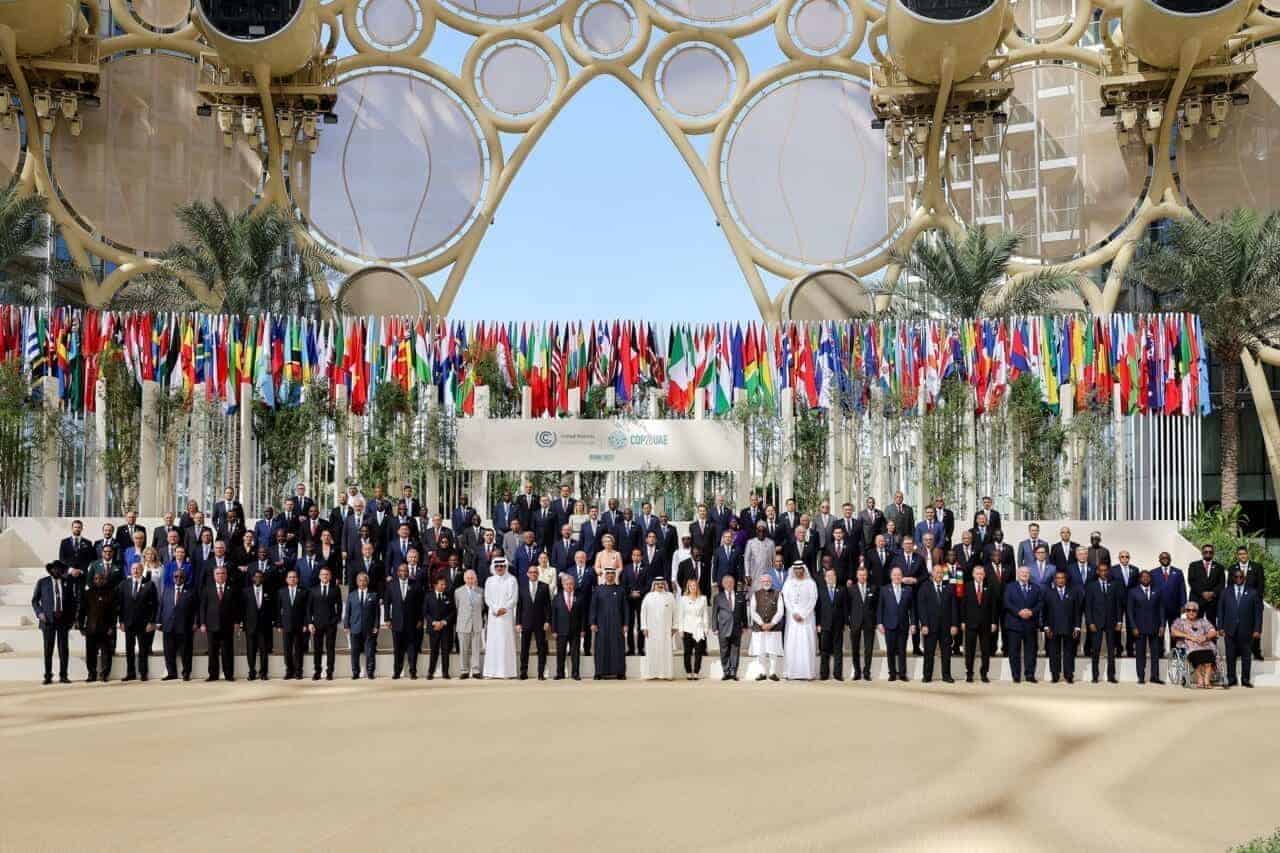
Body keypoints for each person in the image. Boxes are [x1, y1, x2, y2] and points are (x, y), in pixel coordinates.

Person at [1219, 567, 1263, 688]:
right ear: (1233, 578)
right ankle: (1231, 679)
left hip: (1247, 630)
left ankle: (1245, 679)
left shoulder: (1253, 592)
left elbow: (1258, 613)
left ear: (1244, 578)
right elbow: (1220, 611)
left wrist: (1257, 629)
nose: (1238, 578)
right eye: (1236, 577)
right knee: (1230, 656)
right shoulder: (1225, 592)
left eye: (1241, 577)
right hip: (1229, 629)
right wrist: (1220, 627)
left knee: (1246, 656)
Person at [116, 561, 157, 681]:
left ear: (142, 570)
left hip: (143, 623)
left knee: (143, 649)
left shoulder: (149, 584)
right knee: (129, 649)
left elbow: (154, 605)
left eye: (138, 568)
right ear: (130, 570)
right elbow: (120, 604)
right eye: (133, 568)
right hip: (128, 623)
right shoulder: (124, 584)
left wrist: (151, 622)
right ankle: (130, 673)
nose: (135, 571)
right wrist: (121, 621)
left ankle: (143, 673)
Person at [1084, 562, 1124, 684]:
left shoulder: (1114, 585)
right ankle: (1095, 676)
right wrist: (1090, 622)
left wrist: (1119, 621)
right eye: (1101, 570)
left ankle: (1111, 676)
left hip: (1111, 622)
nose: (1103, 573)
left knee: (1111, 650)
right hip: (1096, 623)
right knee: (1095, 650)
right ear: (1097, 572)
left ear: (1108, 571)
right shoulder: (1091, 586)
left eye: (1105, 570)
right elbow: (1088, 606)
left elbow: (1118, 605)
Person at [917, 563, 957, 683]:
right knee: (929, 652)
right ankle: (927, 676)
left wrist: (954, 624)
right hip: (930, 626)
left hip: (946, 627)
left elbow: (954, 608)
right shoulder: (924, 587)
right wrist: (924, 624)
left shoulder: (949, 588)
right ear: (932, 573)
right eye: (937, 572)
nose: (939, 575)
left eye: (941, 573)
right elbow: (921, 608)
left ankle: (946, 675)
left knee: (946, 653)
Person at [198, 565, 238, 682]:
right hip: (211, 625)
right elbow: (203, 607)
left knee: (227, 651)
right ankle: (213, 675)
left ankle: (228, 674)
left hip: (227, 625)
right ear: (214, 576)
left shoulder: (232, 588)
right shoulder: (207, 589)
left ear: (226, 575)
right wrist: (202, 623)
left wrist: (236, 622)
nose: (220, 575)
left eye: (223, 573)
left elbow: (236, 607)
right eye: (218, 573)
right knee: (212, 651)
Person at [1004, 565, 1043, 684]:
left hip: (1030, 624)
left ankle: (1030, 674)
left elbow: (1040, 603)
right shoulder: (1010, 587)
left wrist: (1031, 612)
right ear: (1018, 574)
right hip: (1014, 624)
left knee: (1031, 651)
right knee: (1014, 651)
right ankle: (1016, 675)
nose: (1025, 574)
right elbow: (1007, 602)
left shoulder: (1035, 588)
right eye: (1022, 572)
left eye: (1027, 573)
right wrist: (1018, 612)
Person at [384, 563, 424, 679]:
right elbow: (387, 603)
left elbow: (420, 604)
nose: (403, 573)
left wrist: (420, 619)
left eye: (406, 571)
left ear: (408, 572)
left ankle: (413, 672)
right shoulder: (391, 585)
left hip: (412, 623)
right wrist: (387, 618)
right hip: (397, 623)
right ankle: (397, 672)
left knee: (412, 649)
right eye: (401, 571)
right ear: (397, 572)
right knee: (397, 649)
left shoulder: (416, 585)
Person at [1043, 569, 1082, 684]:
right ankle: (1055, 675)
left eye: (1062, 578)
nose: (1060, 580)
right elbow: (1044, 611)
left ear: (1065, 580)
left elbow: (1077, 611)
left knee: (1069, 653)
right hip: (1053, 628)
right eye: (1058, 578)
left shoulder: (1073, 592)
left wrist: (1077, 627)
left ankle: (1069, 675)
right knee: (1054, 653)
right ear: (1055, 580)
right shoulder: (1048, 593)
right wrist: (1046, 627)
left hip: (1069, 628)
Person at [483, 558, 519, 679]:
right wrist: (495, 609)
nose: (499, 568)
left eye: (502, 566)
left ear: (505, 566)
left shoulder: (512, 580)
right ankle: (491, 672)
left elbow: (514, 598)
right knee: (492, 643)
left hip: (506, 616)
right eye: (497, 566)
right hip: (493, 616)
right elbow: (487, 598)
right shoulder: (489, 580)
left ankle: (506, 672)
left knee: (505, 643)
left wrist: (504, 608)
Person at [79, 569, 118, 683]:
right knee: (90, 653)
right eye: (96, 579)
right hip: (91, 628)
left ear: (105, 580)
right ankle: (92, 674)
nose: (99, 580)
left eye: (101, 578)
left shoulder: (111, 593)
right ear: (93, 580)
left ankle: (104, 674)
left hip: (106, 629)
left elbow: (114, 612)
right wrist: (81, 626)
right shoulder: (87, 593)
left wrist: (112, 627)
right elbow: (82, 611)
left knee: (106, 653)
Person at [1126, 570, 1164, 684]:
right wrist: (1133, 627)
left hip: (1154, 627)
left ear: (1150, 578)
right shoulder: (1133, 592)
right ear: (1139, 579)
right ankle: (1141, 677)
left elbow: (1161, 609)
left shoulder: (1157, 590)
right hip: (1139, 628)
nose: (1146, 578)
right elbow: (1130, 611)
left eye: (1148, 576)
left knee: (1155, 654)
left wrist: (1162, 625)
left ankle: (1155, 676)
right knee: (1140, 654)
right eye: (1143, 577)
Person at [158, 568, 197, 680]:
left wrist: (195, 623)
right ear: (172, 578)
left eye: (181, 577)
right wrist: (158, 622)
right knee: (169, 651)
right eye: (176, 576)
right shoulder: (167, 590)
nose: (178, 579)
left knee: (186, 651)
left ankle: (186, 673)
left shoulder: (191, 591)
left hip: (185, 626)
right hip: (168, 625)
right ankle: (171, 673)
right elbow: (161, 607)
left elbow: (196, 609)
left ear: (185, 578)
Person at [590, 566, 628, 679]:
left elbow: (625, 608)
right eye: (608, 574)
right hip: (601, 624)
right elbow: (593, 607)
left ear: (615, 575)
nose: (610, 576)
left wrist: (625, 624)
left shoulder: (621, 590)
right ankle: (599, 672)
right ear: (605, 576)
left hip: (617, 624)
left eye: (612, 574)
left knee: (618, 647)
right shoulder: (598, 590)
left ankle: (620, 672)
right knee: (601, 648)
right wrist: (592, 622)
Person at [782, 562, 817, 680]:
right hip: (792, 618)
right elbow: (786, 599)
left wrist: (804, 614)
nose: (798, 571)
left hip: (807, 619)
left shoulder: (811, 583)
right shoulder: (788, 583)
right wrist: (793, 613)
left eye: (800, 569)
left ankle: (807, 673)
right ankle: (791, 672)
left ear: (803, 569)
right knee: (792, 643)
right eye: (795, 569)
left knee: (806, 643)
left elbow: (813, 600)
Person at [1170, 602, 1219, 689]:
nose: (1191, 612)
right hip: (1189, 646)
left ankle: (1207, 680)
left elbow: (1213, 631)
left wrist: (1205, 637)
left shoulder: (1203, 622)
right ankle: (1200, 679)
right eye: (1188, 610)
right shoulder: (1180, 622)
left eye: (1194, 610)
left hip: (1204, 645)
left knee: (1209, 655)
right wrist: (1189, 637)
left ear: (1197, 612)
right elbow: (1174, 632)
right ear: (1185, 611)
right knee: (1196, 655)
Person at [877, 566, 913, 682]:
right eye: (895, 575)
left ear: (902, 576)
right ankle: (892, 673)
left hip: (903, 625)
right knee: (890, 650)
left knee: (902, 650)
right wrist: (879, 623)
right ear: (891, 576)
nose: (897, 577)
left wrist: (913, 623)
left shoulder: (908, 589)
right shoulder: (884, 589)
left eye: (899, 575)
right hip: (889, 625)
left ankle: (902, 674)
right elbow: (880, 607)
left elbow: (912, 608)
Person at [962, 564, 997, 683]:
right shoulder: (967, 586)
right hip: (970, 624)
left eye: (981, 574)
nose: (979, 576)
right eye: (977, 574)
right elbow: (963, 605)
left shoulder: (989, 586)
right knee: (969, 650)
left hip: (985, 624)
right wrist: (963, 621)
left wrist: (993, 622)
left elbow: (993, 606)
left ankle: (984, 674)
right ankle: (969, 673)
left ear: (984, 575)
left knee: (985, 651)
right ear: (973, 575)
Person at [343, 571, 379, 679]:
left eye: (364, 580)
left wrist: (376, 626)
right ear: (357, 582)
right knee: (354, 652)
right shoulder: (351, 595)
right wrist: (346, 625)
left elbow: (377, 613)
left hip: (369, 628)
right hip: (355, 627)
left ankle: (370, 672)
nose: (362, 582)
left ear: (367, 582)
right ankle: (355, 672)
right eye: (360, 580)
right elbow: (347, 612)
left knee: (370, 651)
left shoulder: (373, 595)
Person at [748, 571, 784, 681]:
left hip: (774, 628)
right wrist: (761, 623)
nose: (766, 583)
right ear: (761, 582)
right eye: (764, 581)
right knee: (760, 650)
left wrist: (772, 623)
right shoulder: (755, 594)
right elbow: (752, 611)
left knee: (773, 651)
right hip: (759, 628)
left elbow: (780, 611)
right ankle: (762, 672)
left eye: (768, 581)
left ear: (771, 582)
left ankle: (773, 673)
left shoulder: (778, 594)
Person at [240, 568, 275, 680]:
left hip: (264, 626)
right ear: (252, 578)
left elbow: (272, 608)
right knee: (251, 651)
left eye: (260, 577)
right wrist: (242, 623)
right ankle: (252, 672)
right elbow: (242, 609)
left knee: (264, 651)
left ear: (263, 578)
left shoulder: (269, 590)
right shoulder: (245, 591)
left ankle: (263, 673)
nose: (258, 578)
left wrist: (272, 621)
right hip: (250, 626)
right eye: (256, 577)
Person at [640, 577, 677, 680]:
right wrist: (644, 627)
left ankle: (666, 674)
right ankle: (651, 674)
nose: (660, 585)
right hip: (651, 630)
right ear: (654, 585)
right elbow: (643, 613)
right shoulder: (648, 596)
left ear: (664, 585)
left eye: (662, 584)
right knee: (652, 651)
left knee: (665, 651)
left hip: (666, 629)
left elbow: (675, 612)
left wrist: (674, 626)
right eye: (658, 584)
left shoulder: (670, 596)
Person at [308, 567, 342, 681]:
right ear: (319, 576)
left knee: (330, 648)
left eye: (327, 574)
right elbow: (309, 609)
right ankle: (317, 671)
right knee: (317, 649)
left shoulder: (335, 589)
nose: (325, 576)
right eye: (323, 574)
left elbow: (339, 606)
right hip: (317, 624)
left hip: (331, 624)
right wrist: (310, 623)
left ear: (330, 576)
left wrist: (337, 619)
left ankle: (330, 672)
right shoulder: (313, 590)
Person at [1150, 552, 1187, 652]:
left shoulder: (1178, 572)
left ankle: (1174, 651)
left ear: (1170, 559)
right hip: (1158, 608)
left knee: (1175, 630)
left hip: (1174, 607)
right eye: (1162, 558)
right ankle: (1159, 651)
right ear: (1159, 560)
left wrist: (1183, 604)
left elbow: (1182, 589)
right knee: (1159, 629)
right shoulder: (1153, 572)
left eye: (1167, 557)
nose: (1165, 559)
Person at [815, 567, 847, 681]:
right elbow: (818, 609)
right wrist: (818, 624)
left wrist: (845, 623)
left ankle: (838, 674)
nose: (830, 578)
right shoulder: (821, 590)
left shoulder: (842, 590)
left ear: (835, 577)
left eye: (832, 576)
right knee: (824, 650)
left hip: (838, 625)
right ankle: (824, 674)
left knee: (838, 650)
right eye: (828, 576)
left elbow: (845, 608)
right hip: (825, 624)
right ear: (825, 578)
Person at [552, 573, 586, 680]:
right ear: (563, 585)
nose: (569, 586)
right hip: (561, 630)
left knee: (575, 653)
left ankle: (575, 673)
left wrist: (582, 629)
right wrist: (554, 630)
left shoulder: (579, 597)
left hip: (575, 630)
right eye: (567, 584)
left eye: (571, 584)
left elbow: (583, 615)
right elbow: (554, 615)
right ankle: (560, 673)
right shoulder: (557, 597)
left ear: (574, 585)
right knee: (560, 653)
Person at [846, 564, 877, 681]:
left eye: (864, 575)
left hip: (869, 622)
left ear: (867, 575)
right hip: (855, 622)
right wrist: (848, 621)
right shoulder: (851, 589)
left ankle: (867, 672)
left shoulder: (873, 588)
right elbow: (847, 607)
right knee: (855, 648)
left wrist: (876, 621)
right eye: (860, 575)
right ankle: (857, 672)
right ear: (856, 576)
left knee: (868, 649)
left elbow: (876, 606)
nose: (862, 577)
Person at [277, 569, 309, 680]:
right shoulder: (281, 592)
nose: (292, 579)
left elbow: (306, 610)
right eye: (290, 577)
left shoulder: (303, 592)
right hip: (286, 625)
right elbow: (278, 610)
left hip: (299, 626)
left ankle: (298, 671)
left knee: (298, 650)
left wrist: (305, 624)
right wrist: (279, 624)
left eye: (294, 577)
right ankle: (289, 671)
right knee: (287, 650)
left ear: (297, 579)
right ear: (286, 579)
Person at [715, 574, 747, 680]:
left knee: (735, 650)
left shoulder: (740, 596)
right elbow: (714, 614)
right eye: (727, 583)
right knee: (724, 650)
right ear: (723, 584)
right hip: (723, 628)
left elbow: (744, 613)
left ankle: (733, 672)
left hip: (737, 628)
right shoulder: (718, 597)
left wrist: (745, 625)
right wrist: (715, 627)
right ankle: (726, 672)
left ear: (734, 584)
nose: (729, 584)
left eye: (731, 582)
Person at [455, 569, 485, 679]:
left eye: (472, 578)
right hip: (463, 624)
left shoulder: (481, 591)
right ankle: (464, 671)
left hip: (476, 623)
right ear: (464, 579)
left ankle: (476, 670)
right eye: (468, 578)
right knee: (463, 649)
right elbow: (457, 607)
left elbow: (482, 607)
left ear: (475, 579)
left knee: (476, 649)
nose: (470, 580)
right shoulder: (458, 592)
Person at [424, 575, 456, 679]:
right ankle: (430, 672)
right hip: (434, 628)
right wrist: (434, 622)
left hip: (445, 628)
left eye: (444, 584)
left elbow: (452, 611)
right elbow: (425, 612)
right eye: (441, 584)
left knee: (445, 651)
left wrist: (444, 622)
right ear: (435, 585)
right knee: (434, 651)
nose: (444, 586)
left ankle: (445, 673)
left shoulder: (448, 595)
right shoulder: (428, 596)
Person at [676, 578, 708, 680]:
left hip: (699, 629)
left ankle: (696, 672)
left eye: (695, 586)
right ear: (688, 587)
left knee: (698, 652)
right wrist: (680, 629)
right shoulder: (683, 599)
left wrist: (706, 629)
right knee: (687, 652)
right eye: (691, 586)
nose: (693, 587)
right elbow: (681, 615)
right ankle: (689, 672)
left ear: (697, 587)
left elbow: (705, 615)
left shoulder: (703, 599)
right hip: (687, 628)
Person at [1187, 544, 1224, 626]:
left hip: (1212, 602)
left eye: (1210, 552)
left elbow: (1221, 584)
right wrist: (1202, 593)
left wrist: (1212, 593)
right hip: (1197, 600)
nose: (1208, 553)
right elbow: (1192, 581)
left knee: (1212, 626)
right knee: (1195, 626)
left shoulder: (1220, 567)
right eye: (1206, 552)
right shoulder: (1193, 565)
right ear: (1202, 553)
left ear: (1213, 553)